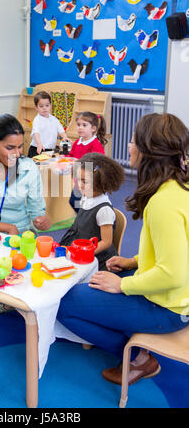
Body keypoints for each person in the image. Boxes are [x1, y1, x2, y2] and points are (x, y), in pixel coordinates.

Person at [57, 113, 189, 387]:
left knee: (63, 303)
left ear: (148, 152)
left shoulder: (163, 202)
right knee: (86, 293)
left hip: (167, 307)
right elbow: (177, 250)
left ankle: (138, 357)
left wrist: (122, 286)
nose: (128, 147)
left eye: (132, 141)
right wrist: (132, 262)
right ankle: (134, 344)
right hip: (175, 300)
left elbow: (173, 274)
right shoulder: (180, 190)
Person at [60, 152, 125, 270]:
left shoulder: (103, 210)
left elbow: (106, 242)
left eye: (85, 182)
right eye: (79, 180)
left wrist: (85, 252)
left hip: (96, 260)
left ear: (101, 183)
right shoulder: (87, 197)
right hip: (79, 247)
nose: (80, 185)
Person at [68, 112, 107, 212]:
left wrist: (80, 163)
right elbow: (71, 156)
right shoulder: (77, 142)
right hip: (80, 179)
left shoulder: (95, 144)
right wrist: (64, 160)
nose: (80, 128)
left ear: (93, 128)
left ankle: (87, 220)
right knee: (74, 201)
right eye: (78, 125)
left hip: (91, 180)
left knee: (92, 204)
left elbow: (99, 163)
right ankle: (84, 219)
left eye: (84, 125)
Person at [28, 91, 70, 157]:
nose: (44, 108)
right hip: (37, 148)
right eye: (41, 106)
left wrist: (64, 137)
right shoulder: (37, 120)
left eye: (47, 105)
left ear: (50, 105)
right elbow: (36, 133)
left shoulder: (54, 119)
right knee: (35, 166)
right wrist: (39, 144)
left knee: (47, 166)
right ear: (36, 108)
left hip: (50, 150)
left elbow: (61, 130)